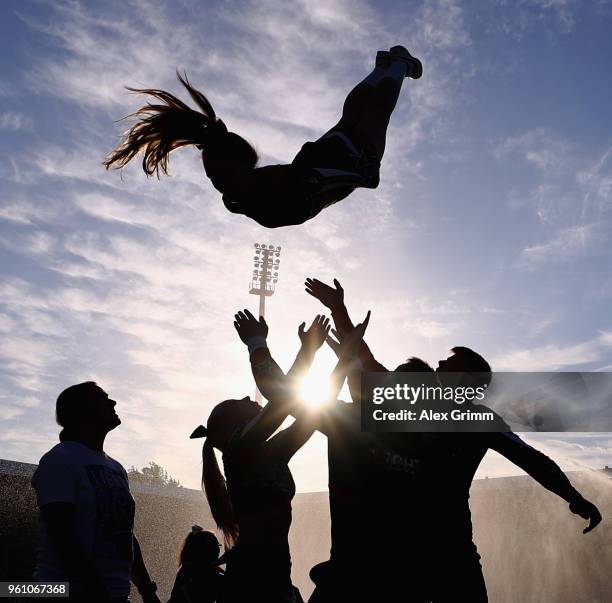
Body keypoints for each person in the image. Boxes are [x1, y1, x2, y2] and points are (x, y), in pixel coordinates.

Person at [306, 277, 603, 602]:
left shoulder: (482, 421)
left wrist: (572, 495)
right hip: (401, 551)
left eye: (449, 363)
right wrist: (339, 309)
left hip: (452, 546)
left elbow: (532, 459)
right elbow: (365, 359)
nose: (438, 364)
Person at [104, 46, 422, 228]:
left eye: (221, 174)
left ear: (244, 166)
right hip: (321, 163)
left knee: (371, 116)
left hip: (329, 166)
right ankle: (384, 69)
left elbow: (314, 188)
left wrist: (360, 175)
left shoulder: (261, 194)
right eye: (213, 177)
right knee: (353, 118)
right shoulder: (247, 198)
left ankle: (397, 66)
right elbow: (303, 192)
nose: (217, 182)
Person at [190, 314, 333, 603]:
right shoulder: (238, 451)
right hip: (252, 581)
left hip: (273, 574)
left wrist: (319, 355)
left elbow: (307, 414)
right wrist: (258, 344)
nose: (249, 399)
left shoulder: (268, 452)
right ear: (233, 427)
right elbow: (284, 400)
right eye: (240, 403)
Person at [31, 382, 160, 603]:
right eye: (102, 398)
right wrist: (94, 589)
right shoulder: (60, 459)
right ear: (81, 411)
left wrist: (147, 590)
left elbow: (125, 534)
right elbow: (59, 530)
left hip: (113, 594)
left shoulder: (117, 469)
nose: (113, 402)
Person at [167, 526, 224, 603]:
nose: (218, 550)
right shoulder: (209, 577)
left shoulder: (185, 571)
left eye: (218, 545)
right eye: (216, 546)